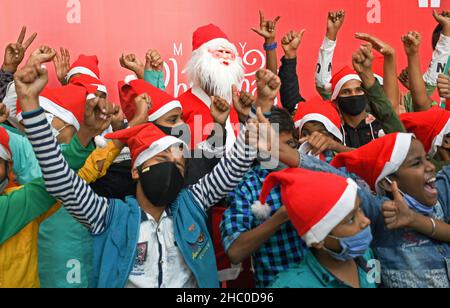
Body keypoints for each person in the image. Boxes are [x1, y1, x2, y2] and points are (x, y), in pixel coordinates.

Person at [14, 58, 279, 288]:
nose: (171, 164)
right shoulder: (107, 216)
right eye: (162, 157)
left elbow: (232, 169)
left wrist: (263, 104)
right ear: (136, 170)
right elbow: (60, 180)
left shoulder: (193, 203)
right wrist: (29, 103)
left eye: (178, 162)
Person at [220, 107, 304, 288]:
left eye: (288, 145)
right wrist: (279, 219)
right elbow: (234, 251)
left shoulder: (312, 170)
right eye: (273, 148)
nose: (281, 154)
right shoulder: (247, 187)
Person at [263, 168, 376, 289]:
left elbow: (376, 282)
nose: (366, 221)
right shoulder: (290, 285)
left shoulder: (368, 256)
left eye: (360, 209)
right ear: (318, 241)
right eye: (351, 220)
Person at [180, 23, 244, 150]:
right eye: (219, 52)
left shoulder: (235, 106)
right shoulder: (181, 106)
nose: (225, 57)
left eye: (228, 53)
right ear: (200, 61)